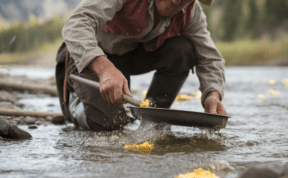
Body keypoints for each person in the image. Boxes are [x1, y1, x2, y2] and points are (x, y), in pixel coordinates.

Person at [55, 0, 226, 131]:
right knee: (109, 123)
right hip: (85, 59)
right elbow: (75, 24)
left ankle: (152, 114)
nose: (176, 1)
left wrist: (213, 94)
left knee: (183, 49)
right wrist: (105, 68)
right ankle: (75, 104)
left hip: (128, 59)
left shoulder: (191, 11)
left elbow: (210, 58)